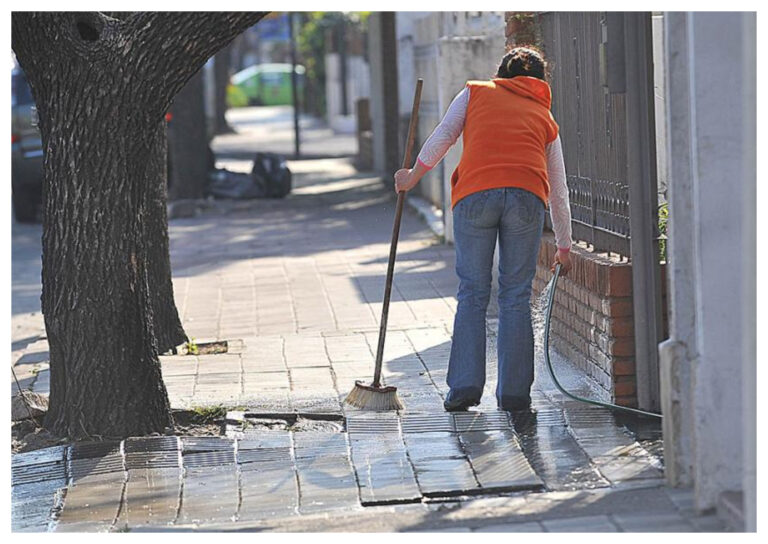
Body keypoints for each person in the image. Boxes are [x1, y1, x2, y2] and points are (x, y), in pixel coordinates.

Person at [394, 46, 573, 412]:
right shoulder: (544, 115)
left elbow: (444, 135)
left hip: (475, 195)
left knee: (473, 292)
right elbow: (559, 184)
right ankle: (514, 394)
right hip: (526, 199)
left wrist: (413, 176)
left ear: (501, 73)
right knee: (515, 295)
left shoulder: (475, 92)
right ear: (540, 80)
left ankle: (463, 389)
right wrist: (565, 245)